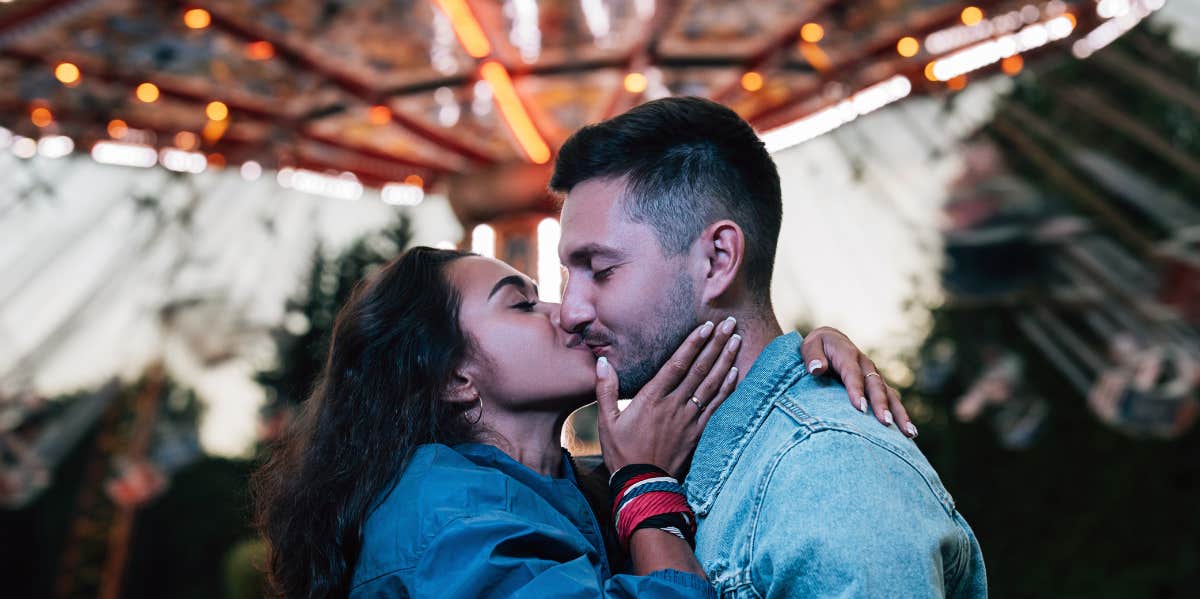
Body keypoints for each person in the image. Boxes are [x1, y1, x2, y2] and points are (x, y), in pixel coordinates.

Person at [252, 246, 910, 598]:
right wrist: (646, 487)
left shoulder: (563, 489)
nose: (567, 311)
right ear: (454, 378)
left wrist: (802, 359)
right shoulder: (443, 528)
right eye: (522, 305)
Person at [550, 96, 988, 597]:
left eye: (601, 269)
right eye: (569, 274)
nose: (570, 309)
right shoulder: (665, 459)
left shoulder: (829, 477)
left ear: (718, 259)